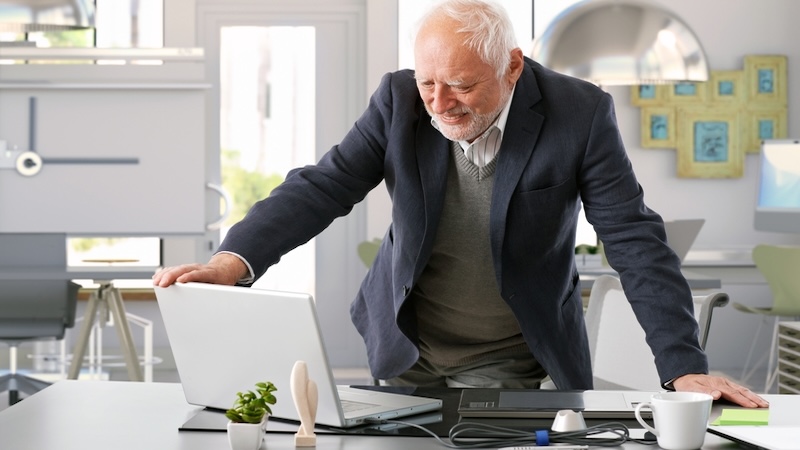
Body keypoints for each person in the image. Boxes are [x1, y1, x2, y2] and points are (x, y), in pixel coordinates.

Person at [154, 0, 766, 408]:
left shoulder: (579, 113)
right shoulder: (398, 101)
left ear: (514, 68)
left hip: (511, 352)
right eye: (429, 83)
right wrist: (234, 261)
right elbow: (325, 185)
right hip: (406, 343)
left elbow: (633, 237)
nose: (441, 103)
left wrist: (682, 365)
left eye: (464, 85)